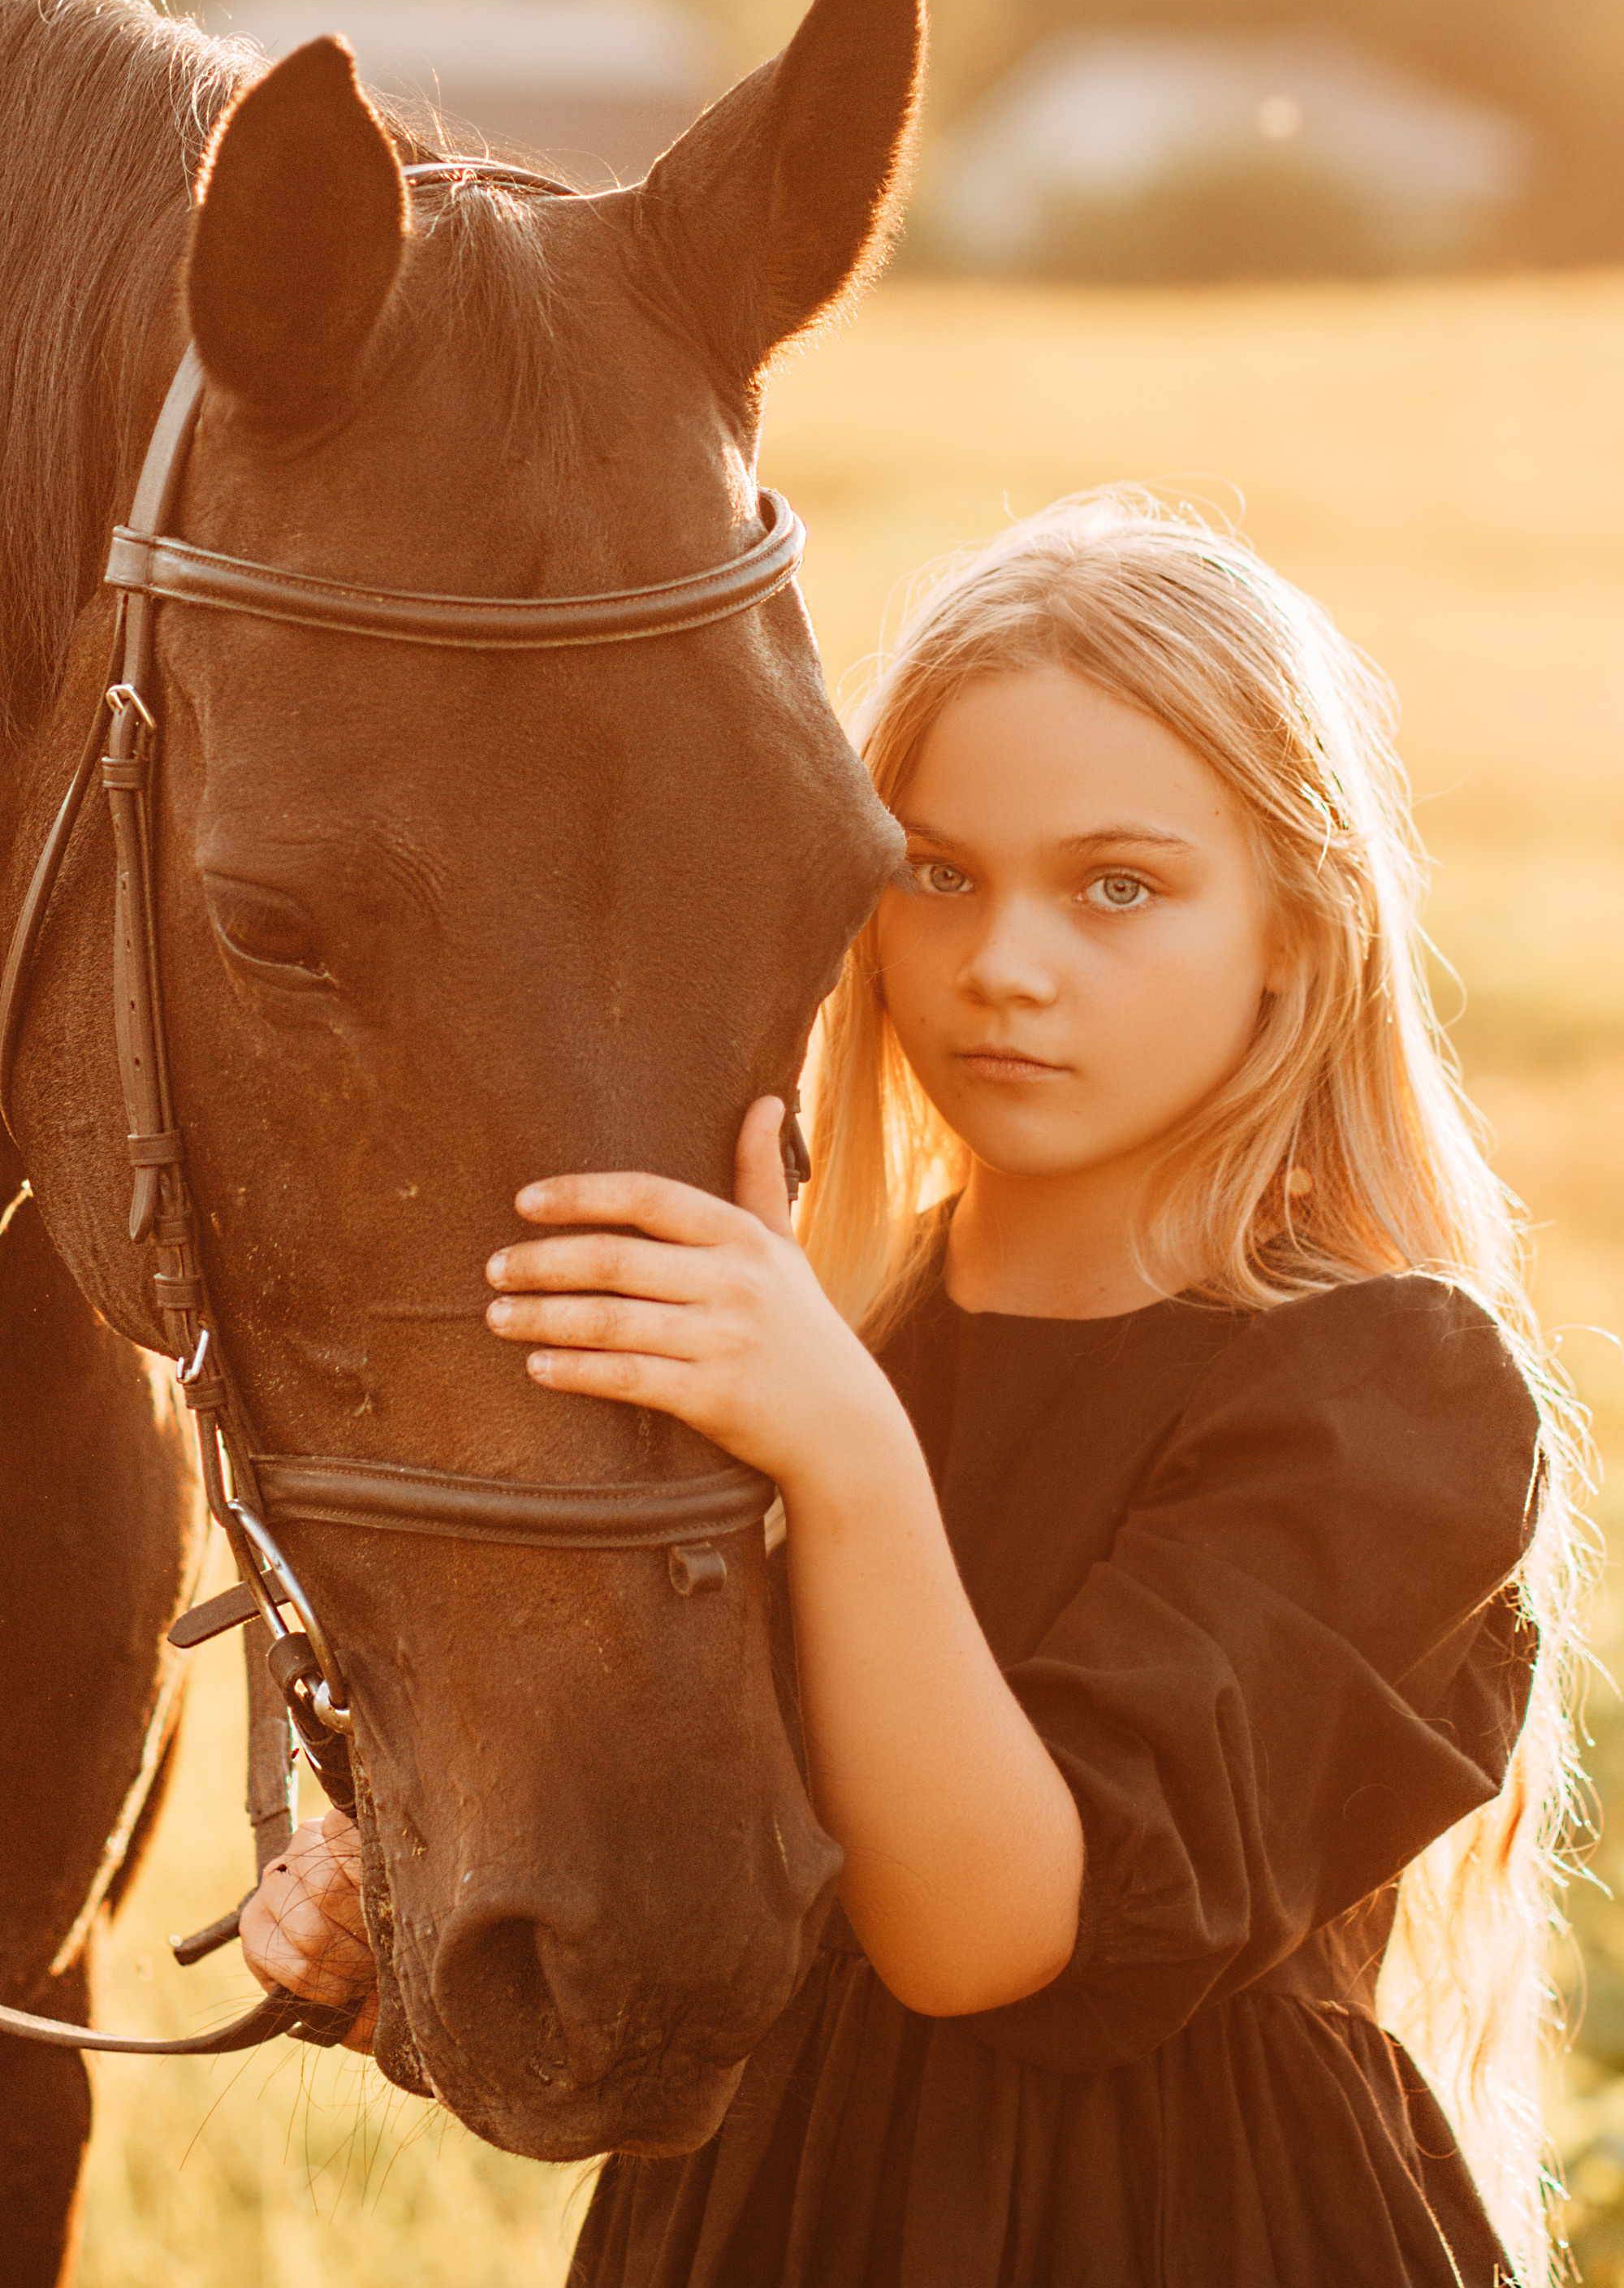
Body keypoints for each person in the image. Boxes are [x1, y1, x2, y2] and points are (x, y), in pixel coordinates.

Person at [244, 491, 1585, 2288]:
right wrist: (401, 1917)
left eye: (1118, 887)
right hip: (768, 2229)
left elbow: (991, 1939)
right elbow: (683, 1889)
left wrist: (848, 1466)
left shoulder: (1386, 1398)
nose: (1002, 964)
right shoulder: (825, 1341)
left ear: (1296, 925)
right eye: (937, 871)